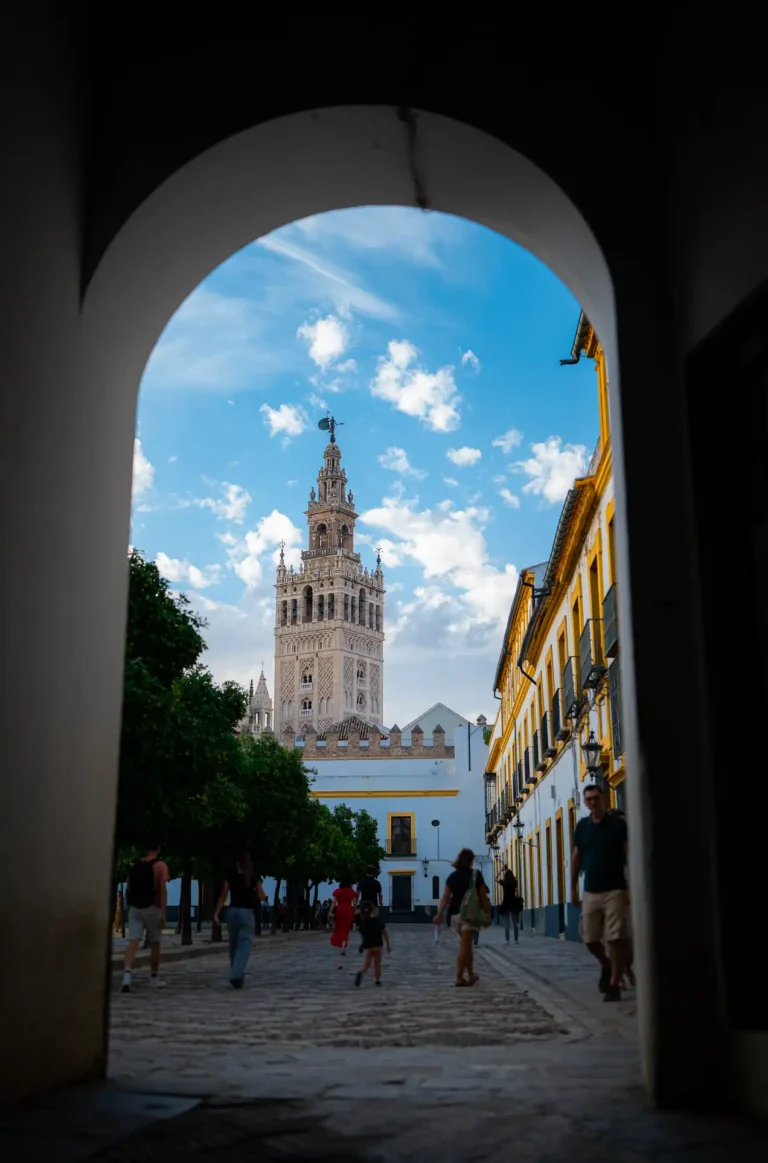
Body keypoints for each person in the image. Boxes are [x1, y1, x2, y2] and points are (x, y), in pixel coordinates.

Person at [571, 784, 630, 1002]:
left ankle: (614, 983)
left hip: (615, 888)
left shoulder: (617, 825)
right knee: (590, 939)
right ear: (585, 802)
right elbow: (577, 857)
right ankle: (607, 966)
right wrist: (573, 887)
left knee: (615, 937)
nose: (592, 803)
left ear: (603, 798)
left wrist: (630, 885)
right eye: (588, 800)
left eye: (596, 798)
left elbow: (628, 854)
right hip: (591, 890)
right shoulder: (583, 827)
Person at [433, 848, 489, 987]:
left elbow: (445, 898)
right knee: (465, 946)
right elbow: (482, 897)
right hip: (469, 914)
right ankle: (459, 977)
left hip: (454, 916)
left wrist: (439, 914)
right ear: (471, 861)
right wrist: (487, 913)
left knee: (467, 944)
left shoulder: (452, 877)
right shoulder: (476, 875)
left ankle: (470, 975)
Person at [121, 842, 170, 992]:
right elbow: (162, 889)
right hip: (152, 908)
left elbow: (129, 887)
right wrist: (163, 913)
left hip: (135, 908)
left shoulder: (136, 865)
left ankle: (127, 975)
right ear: (159, 848)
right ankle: (154, 977)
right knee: (155, 943)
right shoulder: (161, 866)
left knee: (133, 942)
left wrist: (130, 906)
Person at [214, 852, 267, 989]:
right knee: (244, 945)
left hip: (231, 912)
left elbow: (223, 895)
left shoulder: (230, 877)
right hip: (247, 913)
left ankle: (237, 974)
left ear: (237, 864)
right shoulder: (254, 878)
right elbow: (262, 896)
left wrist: (217, 913)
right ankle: (236, 975)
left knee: (233, 945)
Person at [354, 901, 391, 987]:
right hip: (378, 944)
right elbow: (384, 932)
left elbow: (362, 935)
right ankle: (377, 980)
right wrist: (388, 944)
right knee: (377, 964)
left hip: (368, 945)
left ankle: (361, 972)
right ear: (373, 910)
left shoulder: (363, 923)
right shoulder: (378, 921)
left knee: (367, 964)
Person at [330, 879, 358, 955]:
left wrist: (330, 911)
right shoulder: (351, 891)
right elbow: (354, 903)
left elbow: (334, 902)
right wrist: (355, 910)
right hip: (348, 911)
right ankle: (343, 946)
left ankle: (339, 942)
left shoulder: (337, 891)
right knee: (346, 929)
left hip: (340, 910)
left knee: (339, 927)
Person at [497, 867, 521, 944]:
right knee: (515, 923)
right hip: (513, 903)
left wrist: (501, 870)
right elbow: (515, 878)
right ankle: (516, 939)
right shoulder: (514, 883)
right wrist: (511, 873)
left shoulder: (504, 883)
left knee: (507, 923)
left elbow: (495, 878)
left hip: (506, 904)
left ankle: (507, 940)